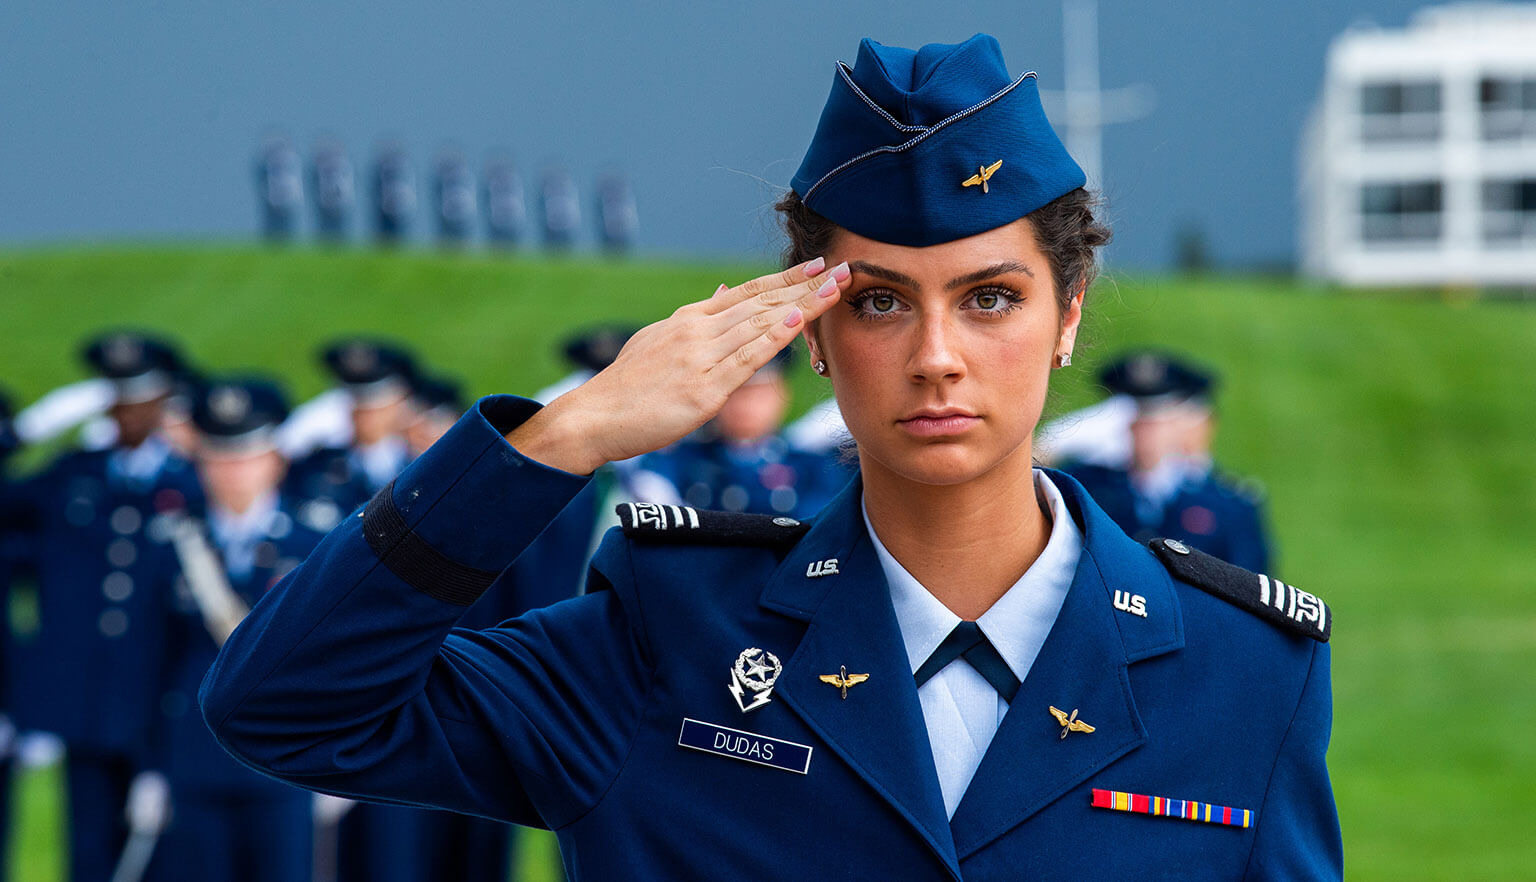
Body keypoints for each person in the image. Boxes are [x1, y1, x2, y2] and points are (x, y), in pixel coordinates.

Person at [203, 35, 1340, 880]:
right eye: (883, 302)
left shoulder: (1245, 671)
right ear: (809, 328)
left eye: (991, 298)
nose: (937, 357)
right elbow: (285, 708)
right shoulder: (667, 635)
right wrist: (567, 437)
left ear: (1071, 315)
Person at [10, 332, 202, 882]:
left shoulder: (190, 481)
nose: (126, 411)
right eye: (116, 397)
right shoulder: (77, 473)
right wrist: (21, 434)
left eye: (139, 397)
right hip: (83, 704)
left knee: (163, 858)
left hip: (158, 703)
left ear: (166, 400)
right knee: (88, 857)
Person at [141, 376, 320, 882]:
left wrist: (334, 758)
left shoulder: (315, 542)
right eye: (219, 456)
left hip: (283, 758)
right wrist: (150, 764)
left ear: (275, 458)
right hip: (193, 755)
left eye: (245, 455)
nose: (233, 471)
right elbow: (152, 661)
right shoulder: (175, 542)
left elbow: (326, 661)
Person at [1065, 351, 1273, 572]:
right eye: (1138, 416)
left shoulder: (1230, 504)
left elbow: (1248, 589)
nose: (1146, 429)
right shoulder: (1082, 486)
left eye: (1156, 419)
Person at [633, 347, 854, 519]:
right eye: (736, 393)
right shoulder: (681, 459)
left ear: (780, 396)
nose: (747, 406)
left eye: (759, 395)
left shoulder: (812, 465)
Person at [283, 339, 416, 531]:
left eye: (375, 404)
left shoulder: (421, 458)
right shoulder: (313, 467)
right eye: (357, 401)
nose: (366, 414)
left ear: (401, 400)